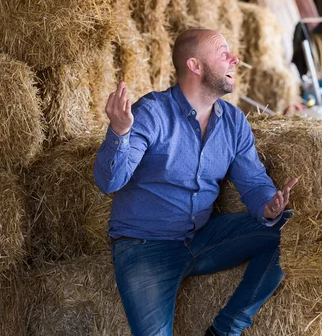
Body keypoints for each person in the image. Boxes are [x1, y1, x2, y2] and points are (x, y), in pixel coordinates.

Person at [94, 28, 297, 336]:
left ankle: (226, 329)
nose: (235, 59)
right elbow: (109, 181)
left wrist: (269, 206)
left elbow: (253, 181)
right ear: (196, 66)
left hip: (202, 239)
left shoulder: (233, 121)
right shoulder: (151, 113)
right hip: (145, 246)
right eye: (224, 53)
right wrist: (120, 133)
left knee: (291, 231)